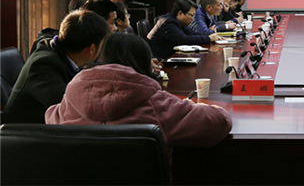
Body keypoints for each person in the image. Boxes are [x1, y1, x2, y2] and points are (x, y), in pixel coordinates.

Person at [45, 32, 232, 149]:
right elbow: (219, 122)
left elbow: (50, 115)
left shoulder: (71, 98)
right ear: (143, 62)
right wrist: (197, 106)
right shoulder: (154, 102)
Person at [3, 10, 110, 124]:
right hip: (25, 132)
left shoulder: (60, 53)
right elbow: (70, 106)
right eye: (103, 44)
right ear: (91, 48)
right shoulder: (42, 66)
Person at [147, 0, 219, 60]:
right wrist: (208, 38)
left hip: (170, 56)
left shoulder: (178, 21)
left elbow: (191, 33)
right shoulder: (168, 23)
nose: (192, 19)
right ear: (180, 13)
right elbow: (184, 39)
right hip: (159, 60)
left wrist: (211, 34)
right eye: (191, 15)